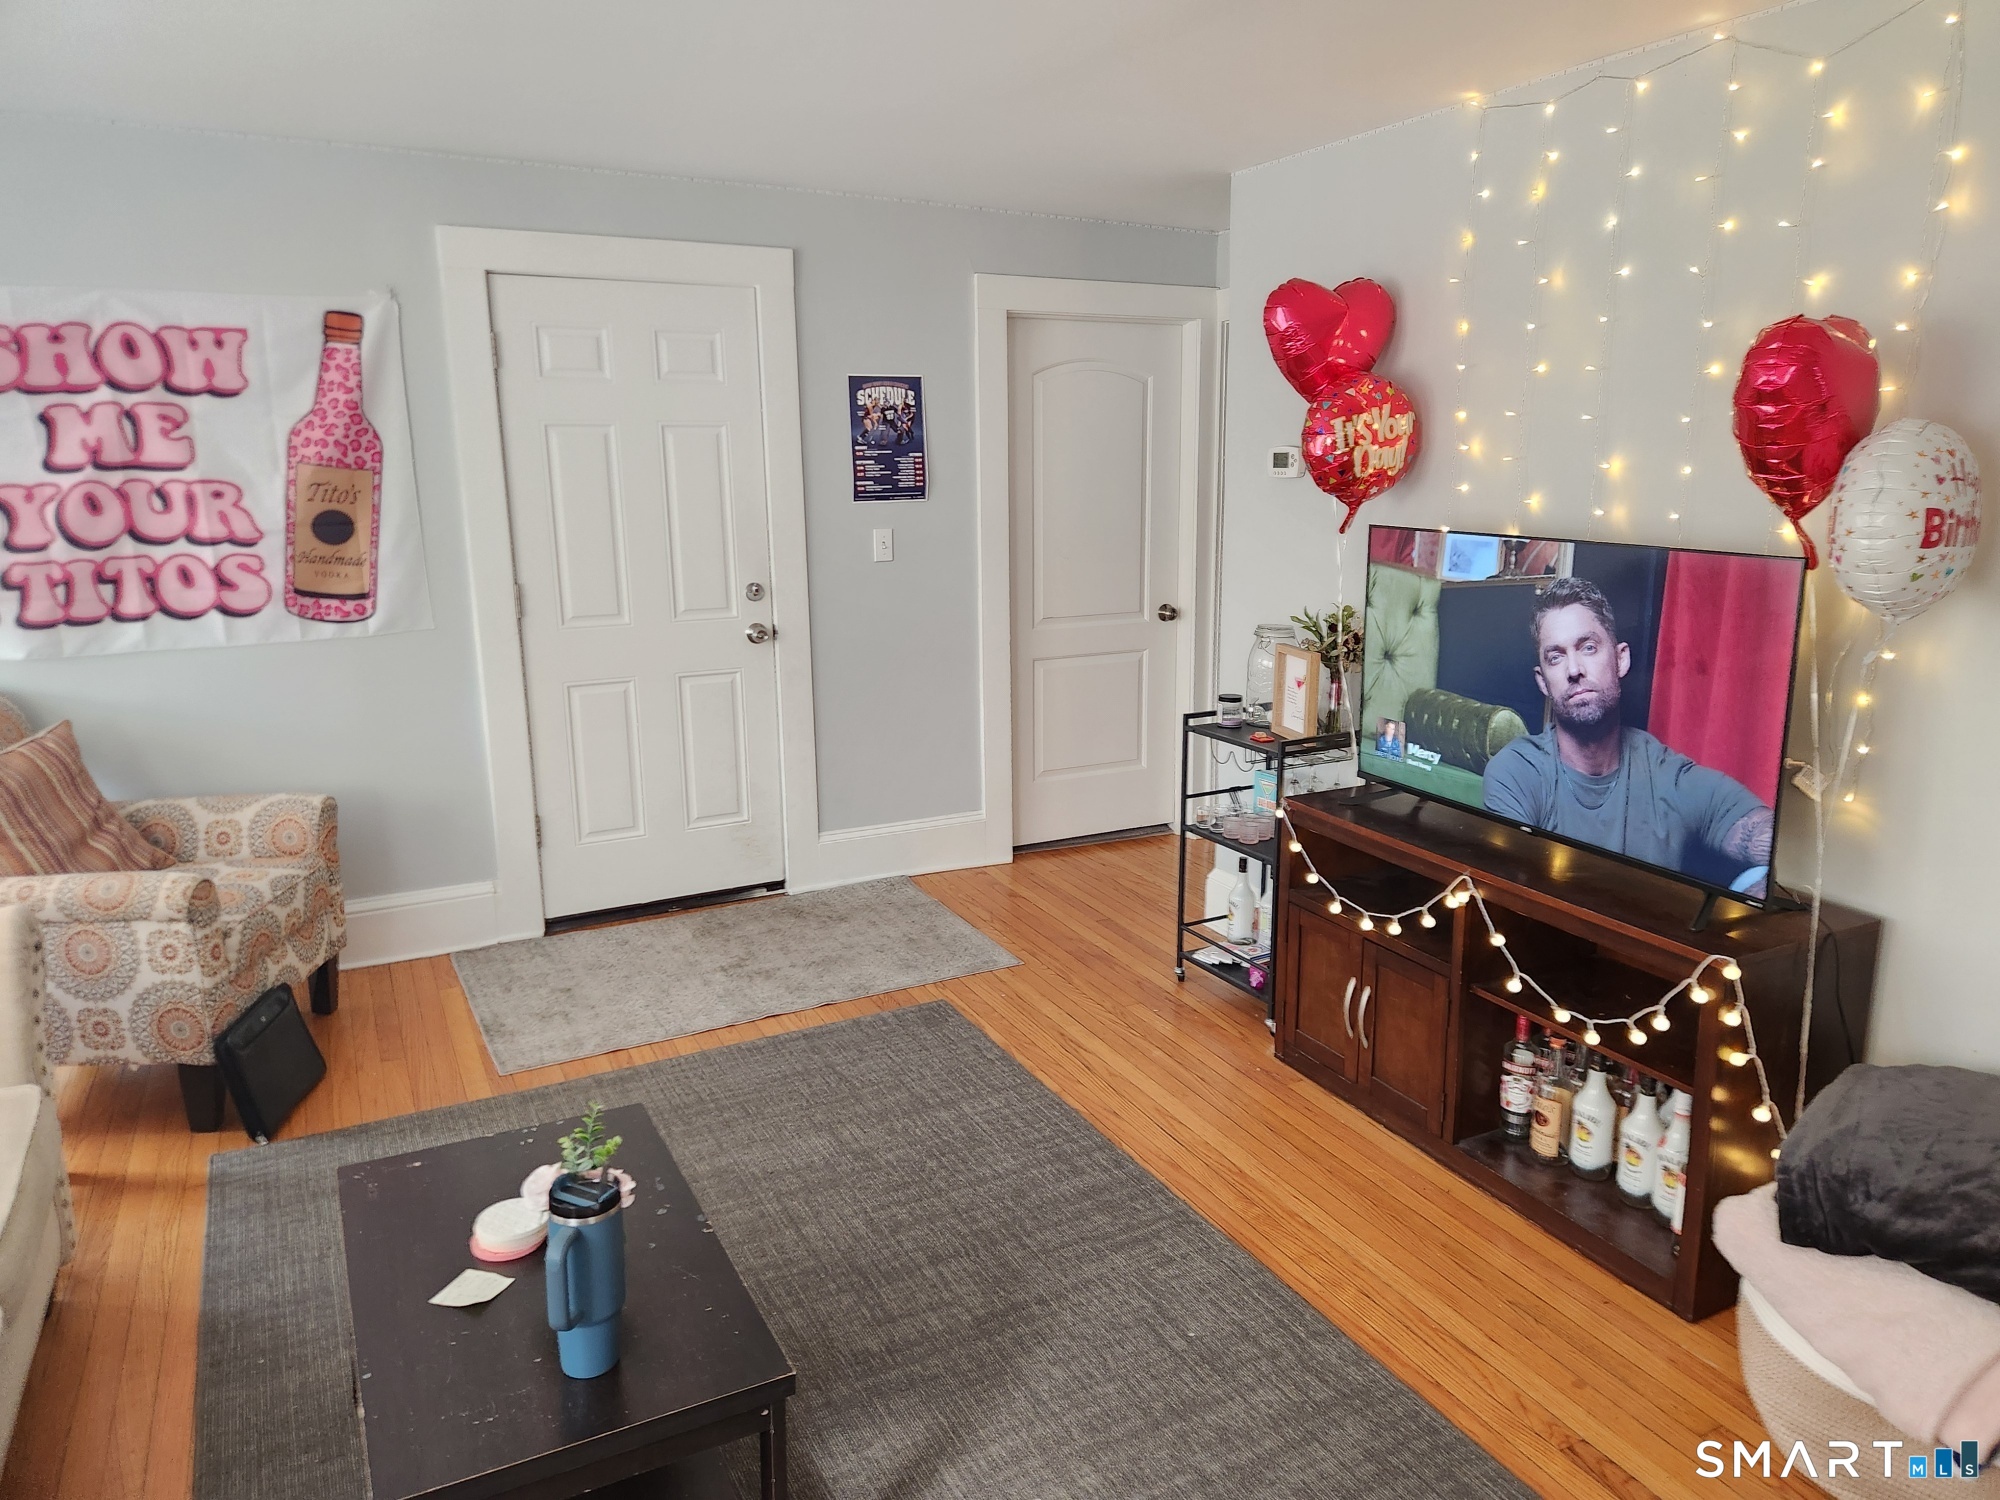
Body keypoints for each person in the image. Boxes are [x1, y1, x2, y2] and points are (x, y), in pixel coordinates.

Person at [1481, 576, 1773, 889]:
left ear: (1621, 659)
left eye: (1589, 648)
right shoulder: (1518, 773)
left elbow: (1764, 834)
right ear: (1543, 681)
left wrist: (1759, 885)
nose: (1574, 669)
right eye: (1556, 657)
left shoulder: (1665, 775)